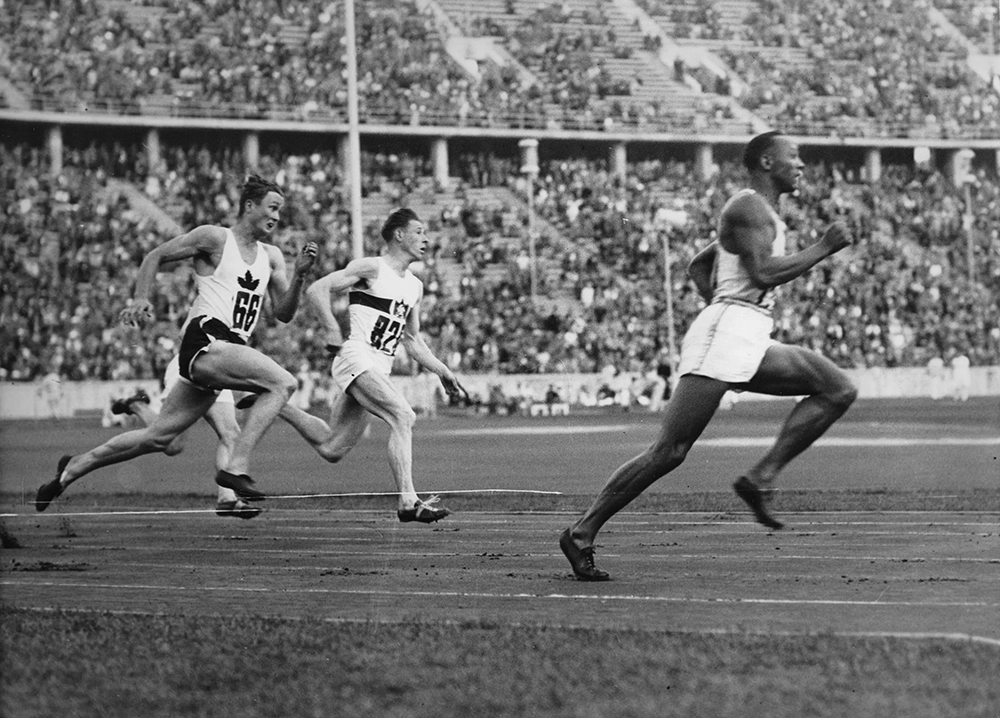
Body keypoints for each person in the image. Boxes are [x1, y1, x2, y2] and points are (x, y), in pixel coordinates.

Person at [559, 131, 858, 581]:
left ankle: (760, 478)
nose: (800, 164)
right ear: (765, 161)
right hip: (731, 329)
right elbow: (761, 272)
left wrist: (722, 307)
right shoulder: (747, 207)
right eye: (792, 156)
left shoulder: (763, 212)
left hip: (745, 328)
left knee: (838, 388)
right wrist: (823, 248)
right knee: (670, 450)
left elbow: (700, 265)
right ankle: (581, 532)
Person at [35, 175, 319, 511]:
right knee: (283, 383)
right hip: (207, 340)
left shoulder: (272, 257)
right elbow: (156, 255)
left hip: (226, 354)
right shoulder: (214, 239)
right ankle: (235, 469)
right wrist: (141, 297)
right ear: (249, 206)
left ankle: (68, 472)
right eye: (272, 208)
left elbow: (283, 313)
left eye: (280, 211)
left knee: (157, 438)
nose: (276, 217)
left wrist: (300, 275)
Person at [238, 208, 467, 522]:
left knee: (332, 448)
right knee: (403, 416)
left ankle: (277, 404)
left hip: (377, 367)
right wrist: (332, 328)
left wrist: (442, 370)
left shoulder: (414, 286)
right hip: (356, 357)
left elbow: (412, 340)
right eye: (418, 231)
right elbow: (317, 289)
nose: (425, 238)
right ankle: (408, 502)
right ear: (399, 235)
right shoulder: (372, 268)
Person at [109, 357, 260, 519]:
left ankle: (226, 498)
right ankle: (137, 406)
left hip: (217, 371)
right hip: (191, 367)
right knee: (172, 444)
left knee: (231, 434)